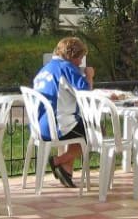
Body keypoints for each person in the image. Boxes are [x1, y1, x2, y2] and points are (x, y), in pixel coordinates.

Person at [32, 36, 95, 188]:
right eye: (80, 58)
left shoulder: (45, 69)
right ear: (72, 55)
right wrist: (89, 76)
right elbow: (86, 96)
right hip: (57, 127)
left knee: (80, 127)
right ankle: (58, 161)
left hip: (38, 126)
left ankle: (65, 171)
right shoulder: (67, 68)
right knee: (96, 132)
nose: (80, 62)